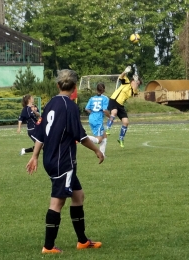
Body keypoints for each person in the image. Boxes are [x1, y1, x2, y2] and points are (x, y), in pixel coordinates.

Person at [26, 69, 104, 254]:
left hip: (51, 158)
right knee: (57, 203)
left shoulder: (51, 103)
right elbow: (81, 136)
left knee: (78, 196)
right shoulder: (70, 107)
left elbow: (41, 134)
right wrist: (97, 150)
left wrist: (35, 155)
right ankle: (48, 246)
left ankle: (83, 241)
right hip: (63, 161)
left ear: (57, 85)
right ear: (75, 87)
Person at [106, 66, 142, 148]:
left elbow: (135, 91)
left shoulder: (134, 91)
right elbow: (121, 76)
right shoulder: (126, 82)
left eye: (138, 84)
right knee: (114, 112)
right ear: (132, 81)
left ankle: (121, 138)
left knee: (126, 122)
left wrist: (136, 81)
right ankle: (108, 128)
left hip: (121, 105)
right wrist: (125, 71)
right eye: (135, 82)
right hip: (114, 100)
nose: (136, 84)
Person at [85, 83, 110, 157]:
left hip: (91, 118)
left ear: (96, 90)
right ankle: (83, 137)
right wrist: (110, 117)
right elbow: (105, 110)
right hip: (98, 120)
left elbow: (86, 108)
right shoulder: (105, 98)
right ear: (104, 90)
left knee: (104, 136)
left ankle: (102, 154)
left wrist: (93, 113)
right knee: (99, 139)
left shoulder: (92, 98)